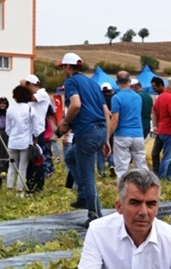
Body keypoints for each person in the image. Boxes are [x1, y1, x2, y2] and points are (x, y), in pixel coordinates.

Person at [57, 52, 110, 227]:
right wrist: (107, 139)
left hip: (87, 133)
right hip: (100, 130)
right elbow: (106, 113)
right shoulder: (93, 84)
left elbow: (76, 105)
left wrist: (65, 123)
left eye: (63, 67)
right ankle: (82, 195)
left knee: (88, 176)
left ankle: (95, 214)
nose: (63, 70)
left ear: (67, 67)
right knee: (70, 158)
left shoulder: (71, 81)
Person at [108, 70, 149, 179]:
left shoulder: (116, 98)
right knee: (141, 164)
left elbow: (115, 120)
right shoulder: (138, 97)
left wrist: (107, 136)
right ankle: (147, 188)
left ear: (117, 82)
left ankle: (124, 191)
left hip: (122, 135)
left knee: (122, 168)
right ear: (130, 81)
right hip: (138, 135)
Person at [24, 74, 54, 190]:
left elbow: (31, 98)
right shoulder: (33, 96)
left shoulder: (42, 93)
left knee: (37, 157)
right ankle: (30, 182)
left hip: (38, 131)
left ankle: (39, 184)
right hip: (29, 131)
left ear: (33, 84)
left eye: (27, 86)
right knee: (29, 159)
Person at [151, 76, 171, 180]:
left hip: (163, 130)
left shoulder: (160, 97)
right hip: (170, 131)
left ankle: (170, 176)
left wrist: (156, 126)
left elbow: (154, 112)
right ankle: (163, 177)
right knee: (169, 156)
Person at [5, 85, 34, 196]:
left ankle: (9, 188)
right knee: (22, 167)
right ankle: (19, 191)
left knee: (11, 166)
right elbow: (35, 128)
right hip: (25, 142)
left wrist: (12, 135)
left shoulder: (10, 110)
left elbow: (8, 128)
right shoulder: (31, 109)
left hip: (12, 142)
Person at [98, 82, 115, 177]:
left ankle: (101, 171)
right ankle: (112, 164)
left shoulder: (99, 99)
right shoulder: (114, 98)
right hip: (111, 124)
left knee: (100, 149)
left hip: (100, 125)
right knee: (111, 146)